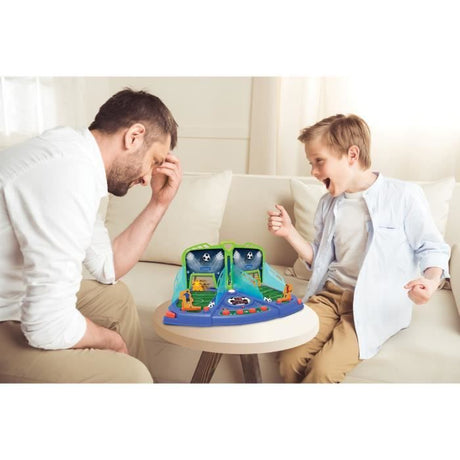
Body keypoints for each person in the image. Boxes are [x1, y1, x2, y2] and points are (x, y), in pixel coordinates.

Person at [0, 88, 182, 383]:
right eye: (153, 160)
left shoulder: (79, 158)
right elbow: (47, 325)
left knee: (115, 299)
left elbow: (108, 268)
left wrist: (159, 203)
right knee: (132, 375)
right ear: (134, 136)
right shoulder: (67, 173)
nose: (147, 178)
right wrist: (111, 341)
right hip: (9, 315)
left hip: (14, 301)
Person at [267, 114, 450, 383]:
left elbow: (432, 247)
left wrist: (431, 282)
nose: (314, 172)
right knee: (288, 358)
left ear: (351, 155)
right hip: (330, 296)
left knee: (323, 370)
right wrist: (289, 232)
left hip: (373, 305)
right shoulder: (327, 204)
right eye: (311, 163)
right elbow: (320, 260)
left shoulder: (403, 196)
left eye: (319, 161)